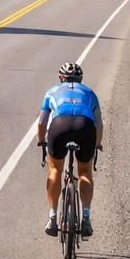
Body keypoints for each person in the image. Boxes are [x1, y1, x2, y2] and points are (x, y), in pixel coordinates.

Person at [36, 61, 103, 238]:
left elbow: (42, 122)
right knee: (85, 172)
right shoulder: (90, 93)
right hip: (85, 126)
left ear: (61, 78)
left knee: (55, 168)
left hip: (60, 126)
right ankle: (86, 217)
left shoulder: (52, 91)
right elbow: (99, 124)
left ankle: (52, 217)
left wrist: (41, 140)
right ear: (80, 79)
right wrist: (96, 144)